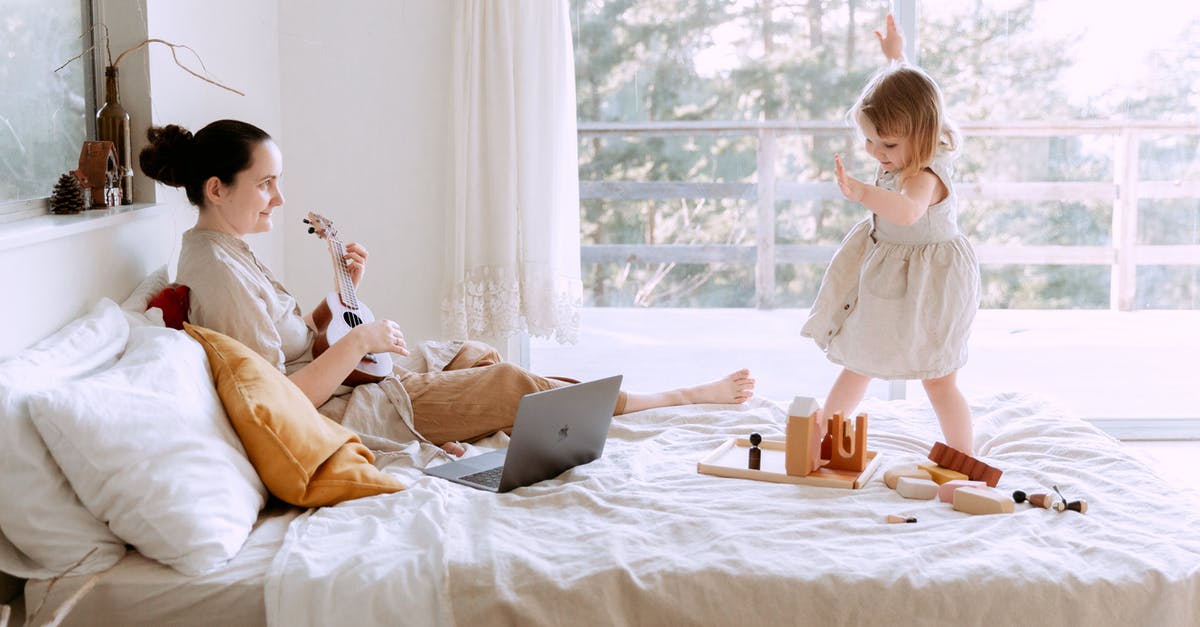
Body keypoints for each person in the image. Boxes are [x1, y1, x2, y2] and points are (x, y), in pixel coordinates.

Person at [138, 119, 755, 457]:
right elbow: (281, 400)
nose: (281, 196)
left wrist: (341, 294)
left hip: (350, 383)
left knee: (477, 354)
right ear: (216, 188)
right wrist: (361, 342)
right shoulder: (216, 269)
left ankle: (555, 414)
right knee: (509, 383)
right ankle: (667, 398)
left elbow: (294, 339)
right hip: (342, 411)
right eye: (266, 183)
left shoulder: (227, 251)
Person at [800, 14, 980, 456]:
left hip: (933, 284)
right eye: (870, 143)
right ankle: (826, 440)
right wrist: (895, 58)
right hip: (890, 276)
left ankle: (964, 455)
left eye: (889, 146)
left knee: (938, 378)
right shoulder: (910, 141)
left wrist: (860, 192)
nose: (877, 155)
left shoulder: (926, 174)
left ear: (924, 134)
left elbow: (906, 212)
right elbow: (919, 94)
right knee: (858, 358)